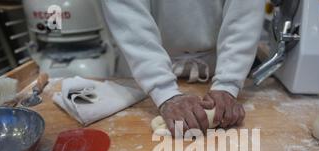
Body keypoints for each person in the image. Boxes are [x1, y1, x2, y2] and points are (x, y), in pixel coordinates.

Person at [102, 0, 265, 135]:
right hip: (141, 70)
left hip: (216, 66)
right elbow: (130, 20)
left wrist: (228, 83)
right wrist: (163, 91)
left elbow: (244, 13)